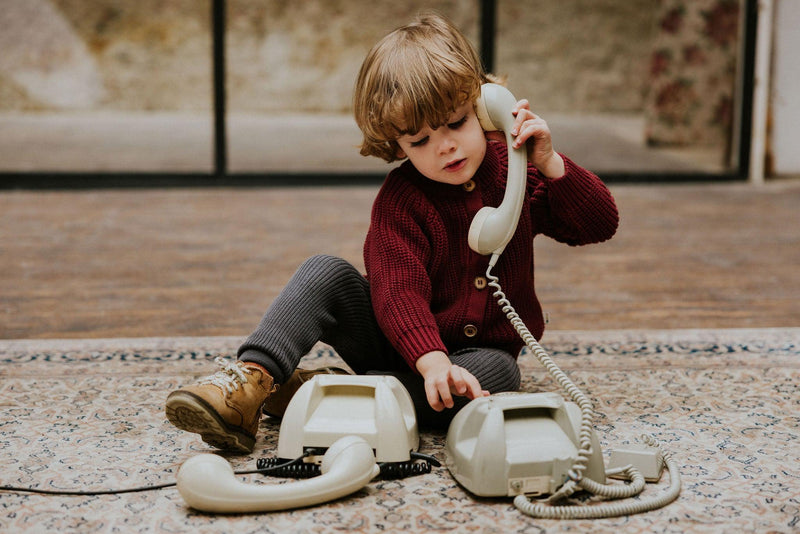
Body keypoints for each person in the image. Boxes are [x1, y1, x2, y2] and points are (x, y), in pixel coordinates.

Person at [165, 12, 618, 453]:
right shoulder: (402, 201)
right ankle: (251, 381)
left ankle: (336, 395)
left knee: (495, 378)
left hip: (476, 354)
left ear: (484, 104)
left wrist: (550, 164)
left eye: (456, 122)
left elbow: (600, 224)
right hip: (395, 337)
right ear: (395, 145)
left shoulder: (518, 172)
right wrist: (430, 358)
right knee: (324, 272)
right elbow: (398, 290)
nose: (444, 146)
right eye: (419, 141)